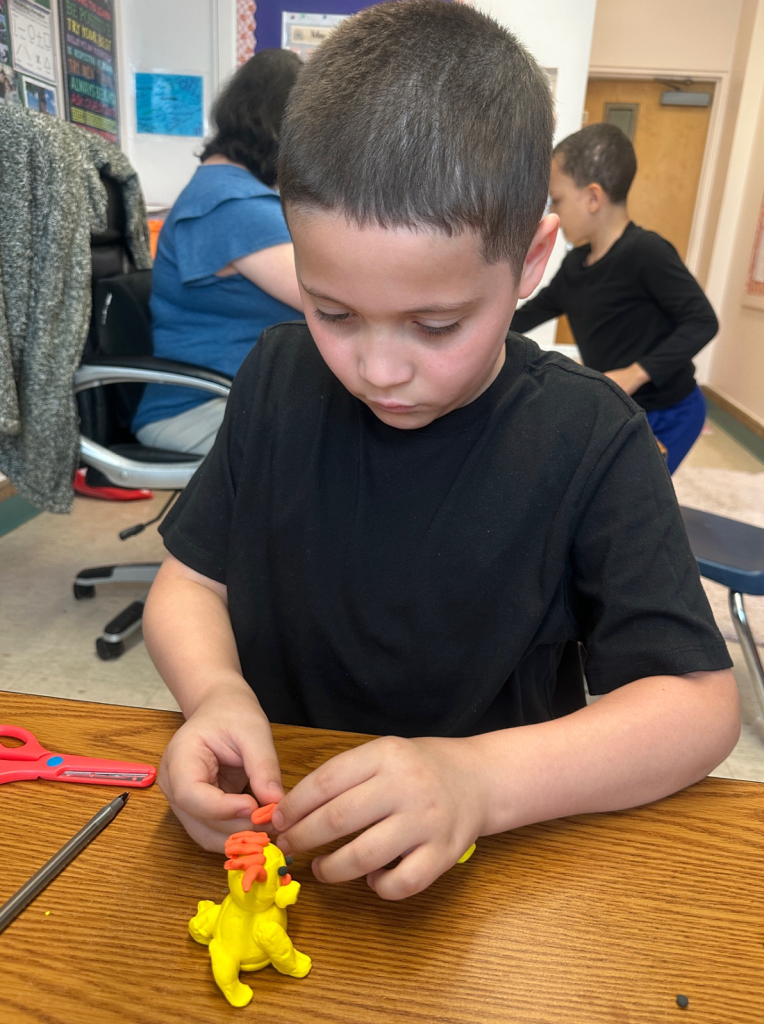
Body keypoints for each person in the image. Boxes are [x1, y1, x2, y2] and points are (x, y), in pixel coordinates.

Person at [143, 0, 738, 902]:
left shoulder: (590, 439)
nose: (379, 368)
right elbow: (191, 582)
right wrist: (218, 695)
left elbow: (699, 708)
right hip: (285, 847)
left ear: (533, 259)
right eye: (332, 310)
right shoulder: (277, 375)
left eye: (436, 322)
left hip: (495, 881)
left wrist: (480, 781)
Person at [511, 122, 717, 473]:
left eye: (556, 200)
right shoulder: (576, 264)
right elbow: (533, 311)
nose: (551, 213)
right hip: (619, 405)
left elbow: (702, 321)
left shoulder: (646, 251)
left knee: (637, 493)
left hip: (671, 411)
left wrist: (635, 374)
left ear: (593, 197)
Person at [132, 50, 303, 455]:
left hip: (239, 399)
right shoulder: (232, 206)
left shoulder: (221, 190)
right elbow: (340, 299)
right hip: (202, 408)